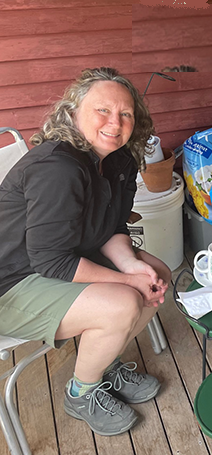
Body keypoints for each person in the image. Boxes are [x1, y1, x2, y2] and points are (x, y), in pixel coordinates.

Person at [0, 68, 171, 436]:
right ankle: (81, 393)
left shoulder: (119, 159)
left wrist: (132, 268)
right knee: (124, 300)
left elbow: (113, 227)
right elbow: (51, 259)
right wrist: (125, 279)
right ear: (73, 113)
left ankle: (102, 363)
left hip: (59, 259)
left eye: (126, 113)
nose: (116, 122)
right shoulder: (58, 167)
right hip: (11, 282)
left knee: (155, 274)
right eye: (102, 111)